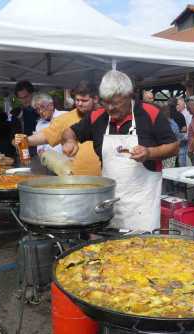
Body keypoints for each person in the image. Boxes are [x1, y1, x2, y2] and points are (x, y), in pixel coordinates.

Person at [62, 70, 179, 231]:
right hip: (109, 203)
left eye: (116, 103)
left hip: (142, 204)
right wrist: (69, 141)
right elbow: (70, 131)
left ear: (129, 95)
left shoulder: (150, 113)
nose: (110, 108)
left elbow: (173, 147)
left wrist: (150, 153)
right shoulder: (97, 116)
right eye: (106, 102)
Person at [15, 81, 101, 176]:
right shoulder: (65, 118)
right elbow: (46, 135)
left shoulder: (107, 116)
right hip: (74, 179)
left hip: (105, 179)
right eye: (77, 100)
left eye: (84, 100)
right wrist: (25, 140)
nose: (79, 104)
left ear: (96, 99)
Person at [14, 80, 39, 156]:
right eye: (21, 98)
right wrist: (14, 141)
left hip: (41, 151)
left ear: (33, 94)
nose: (24, 100)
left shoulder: (42, 110)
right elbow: (16, 134)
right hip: (25, 152)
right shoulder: (19, 113)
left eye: (26, 96)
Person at [169, 97, 187, 166]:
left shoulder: (165, 114)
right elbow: (185, 129)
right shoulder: (180, 115)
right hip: (181, 141)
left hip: (170, 141)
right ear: (176, 105)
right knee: (182, 162)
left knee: (169, 163)